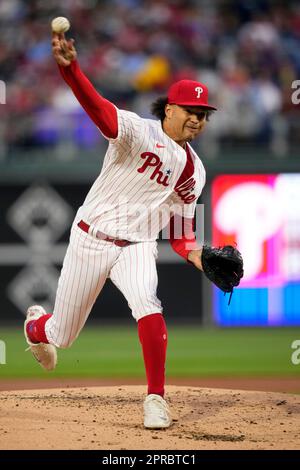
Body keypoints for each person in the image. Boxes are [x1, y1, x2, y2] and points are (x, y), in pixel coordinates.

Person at [24, 30, 217, 430]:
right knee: (61, 335)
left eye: (203, 114)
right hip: (91, 238)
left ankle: (156, 399)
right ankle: (35, 325)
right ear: (168, 109)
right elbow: (95, 107)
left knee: (148, 303)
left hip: (138, 245)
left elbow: (181, 233)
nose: (197, 119)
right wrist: (71, 69)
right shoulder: (135, 130)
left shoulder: (194, 171)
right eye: (190, 110)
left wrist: (198, 255)